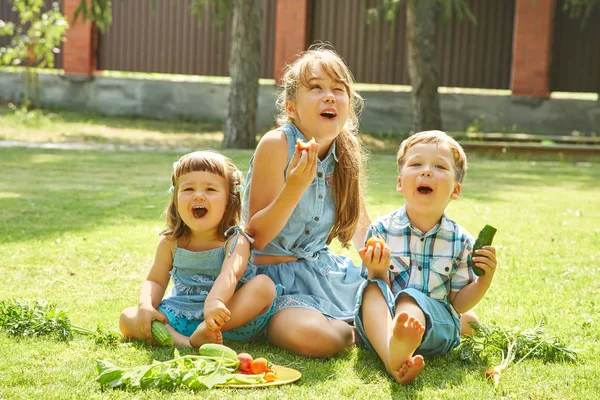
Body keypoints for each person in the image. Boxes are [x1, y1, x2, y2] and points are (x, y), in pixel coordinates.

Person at [242, 45, 371, 357]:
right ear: (291, 107)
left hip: (325, 273)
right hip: (272, 283)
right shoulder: (276, 145)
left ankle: (372, 322)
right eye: (316, 88)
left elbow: (362, 229)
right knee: (318, 338)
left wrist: (385, 271)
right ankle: (359, 329)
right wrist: (294, 187)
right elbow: (256, 237)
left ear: (348, 105)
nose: (329, 96)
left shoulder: (346, 151)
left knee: (399, 298)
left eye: (338, 89)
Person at [354, 130, 497, 384]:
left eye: (440, 166)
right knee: (370, 289)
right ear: (400, 183)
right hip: (384, 325)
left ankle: (396, 352)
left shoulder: (461, 241)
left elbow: (458, 304)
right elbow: (377, 291)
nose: (426, 171)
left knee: (411, 300)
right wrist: (377, 271)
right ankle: (395, 353)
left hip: (435, 329)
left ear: (456, 190)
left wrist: (482, 282)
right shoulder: (380, 231)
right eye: (416, 164)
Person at [120, 150, 277, 347]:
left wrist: (215, 302)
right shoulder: (171, 242)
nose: (199, 196)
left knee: (264, 286)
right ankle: (188, 343)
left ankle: (207, 330)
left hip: (229, 319)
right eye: (188, 189)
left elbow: (230, 274)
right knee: (128, 317)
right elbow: (155, 281)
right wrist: (146, 305)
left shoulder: (235, 240)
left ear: (229, 200)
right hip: (182, 317)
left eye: (210, 190)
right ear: (175, 198)